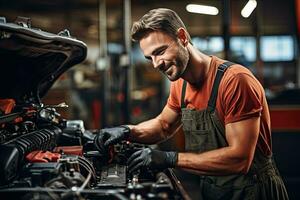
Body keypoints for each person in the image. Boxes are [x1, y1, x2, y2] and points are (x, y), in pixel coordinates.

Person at [94, 8, 289, 200]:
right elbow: (164, 125)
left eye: (160, 51)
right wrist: (127, 131)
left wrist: (169, 158)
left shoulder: (235, 81)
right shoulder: (181, 85)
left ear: (182, 37)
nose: (156, 64)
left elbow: (240, 159)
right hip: (214, 189)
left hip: (253, 190)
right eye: (150, 57)